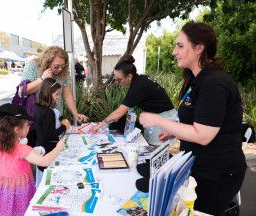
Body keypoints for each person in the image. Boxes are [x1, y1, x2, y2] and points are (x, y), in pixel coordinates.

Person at [139, 21, 246, 215]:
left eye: (180, 46)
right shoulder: (198, 80)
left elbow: (203, 135)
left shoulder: (214, 83)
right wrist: (172, 131)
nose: (174, 51)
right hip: (200, 167)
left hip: (217, 172)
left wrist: (158, 120)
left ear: (199, 48)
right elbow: (198, 122)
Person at [0, 103, 65, 216]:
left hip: (3, 188)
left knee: (5, 211)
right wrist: (58, 147)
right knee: (22, 211)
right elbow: (44, 161)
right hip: (20, 189)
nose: (29, 127)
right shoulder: (22, 149)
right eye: (27, 125)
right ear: (16, 130)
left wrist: (10, 163)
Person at [90, 55, 176, 145]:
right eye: (116, 79)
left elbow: (119, 112)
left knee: (157, 150)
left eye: (119, 79)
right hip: (156, 117)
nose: (118, 82)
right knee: (149, 146)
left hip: (164, 118)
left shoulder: (138, 86)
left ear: (129, 76)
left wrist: (100, 124)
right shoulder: (139, 80)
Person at [22, 46, 88, 122]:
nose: (60, 69)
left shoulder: (64, 72)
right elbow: (24, 90)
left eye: (63, 66)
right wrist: (42, 79)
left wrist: (75, 113)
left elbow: (67, 95)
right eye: (56, 66)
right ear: (47, 62)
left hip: (56, 116)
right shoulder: (33, 66)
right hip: (35, 117)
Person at [34, 78, 71, 186]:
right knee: (48, 180)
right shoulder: (48, 112)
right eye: (56, 94)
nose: (58, 97)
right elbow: (51, 134)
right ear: (48, 93)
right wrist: (64, 126)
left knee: (41, 177)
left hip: (40, 148)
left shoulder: (37, 107)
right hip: (49, 150)